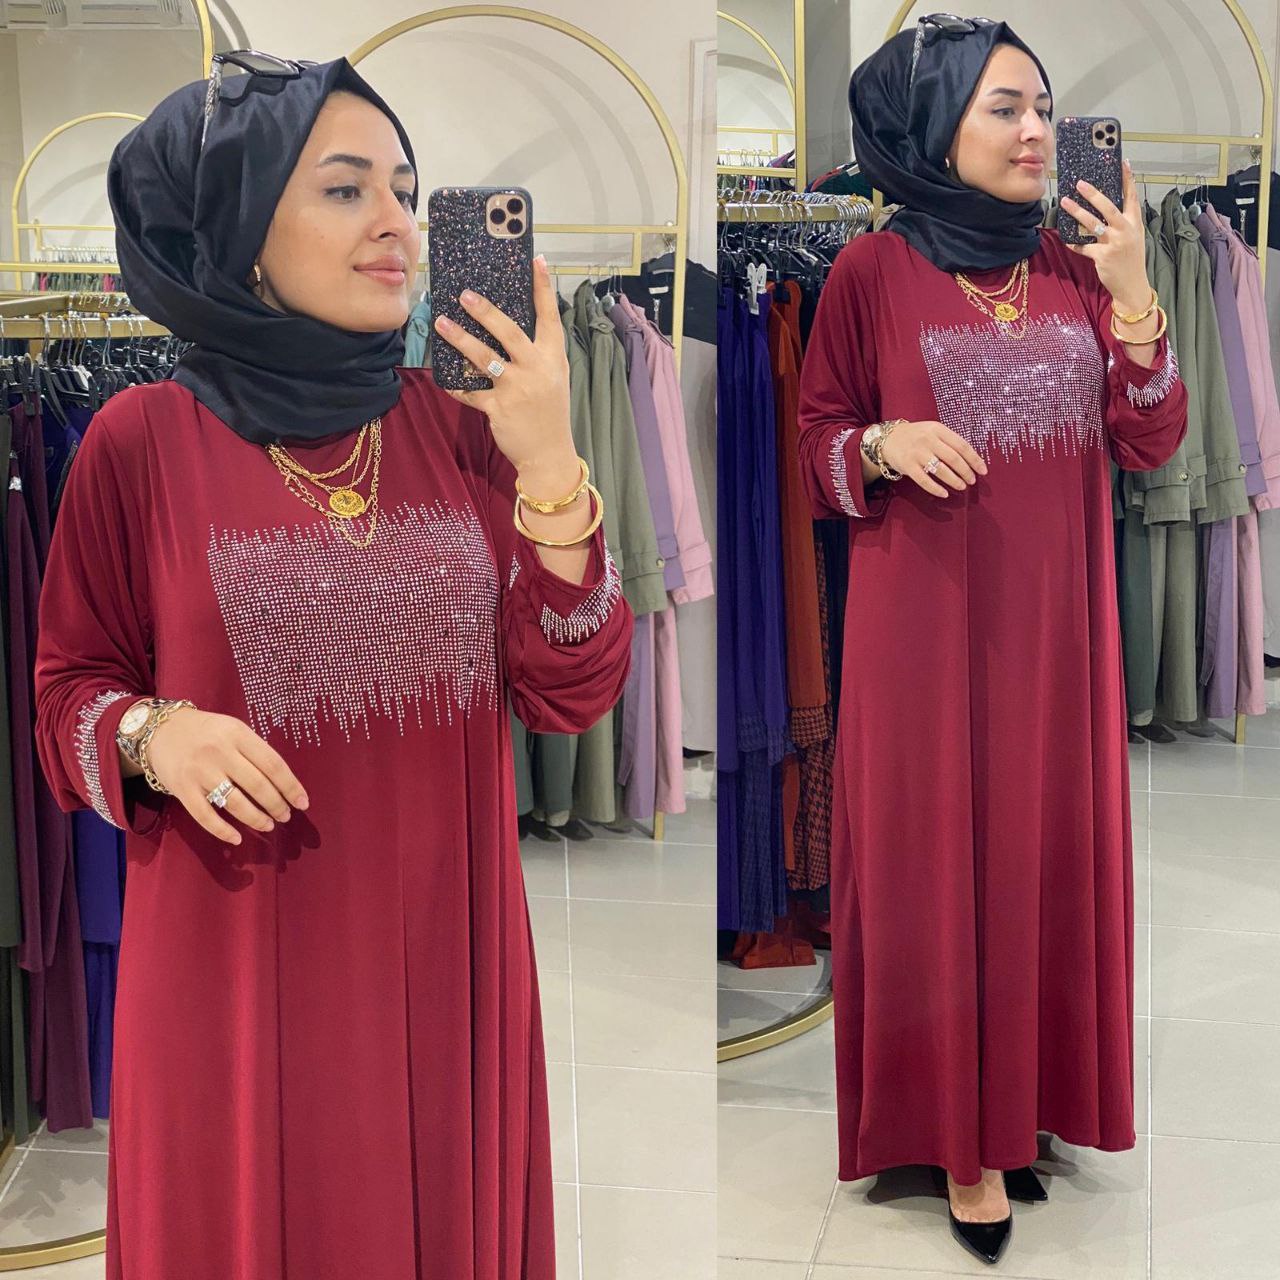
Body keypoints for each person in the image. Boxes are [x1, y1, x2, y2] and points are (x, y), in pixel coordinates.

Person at [33, 53, 632, 1280]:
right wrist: (154, 734)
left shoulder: (459, 424)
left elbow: (571, 686)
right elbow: (64, 694)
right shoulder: (139, 440)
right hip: (234, 972)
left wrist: (551, 465)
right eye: (347, 189)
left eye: (405, 189)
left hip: (441, 957)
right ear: (245, 232)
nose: (397, 223)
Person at [796, 15, 1187, 1267]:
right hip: (922, 637)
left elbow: (1149, 436)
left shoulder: (1073, 264)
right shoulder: (869, 272)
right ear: (931, 129)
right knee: (933, 859)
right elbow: (812, 445)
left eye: (1042, 108)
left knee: (1040, 851)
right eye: (1003, 109)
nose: (1035, 133)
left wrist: (1133, 293)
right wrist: (880, 443)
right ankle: (957, 1139)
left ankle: (1024, 1100)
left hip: (1057, 635)